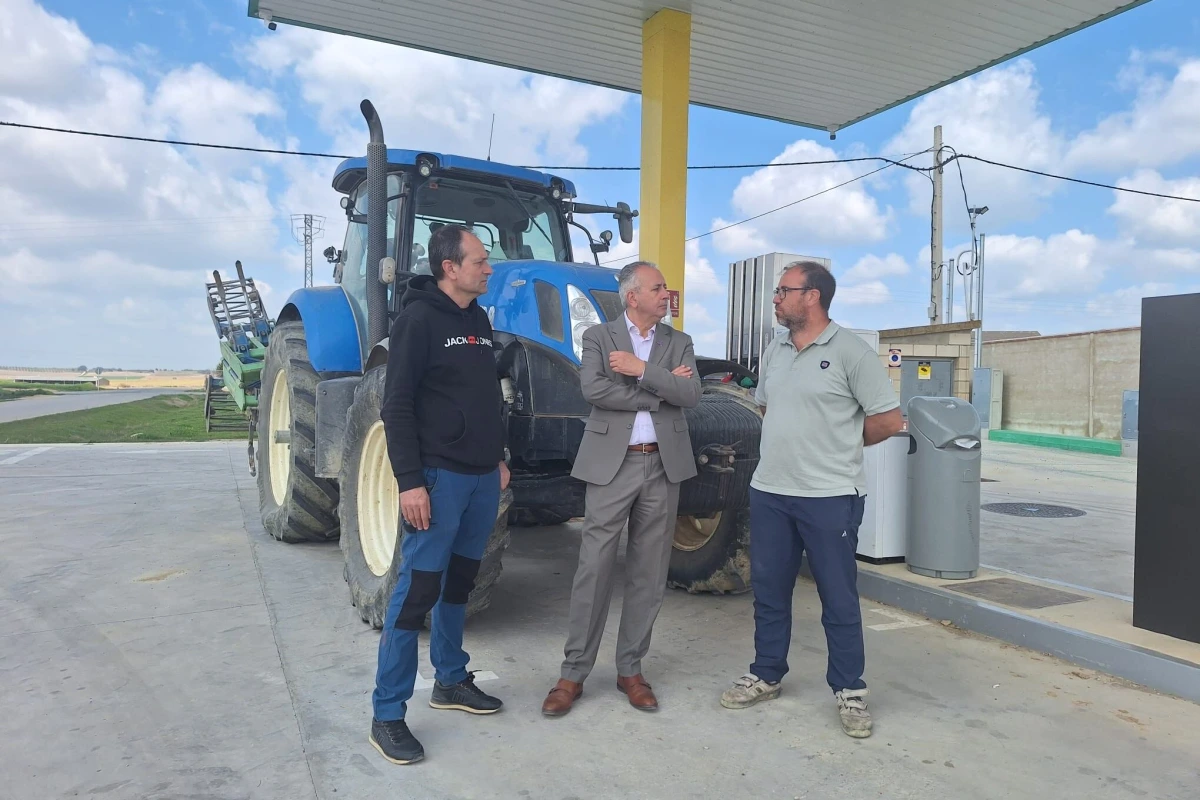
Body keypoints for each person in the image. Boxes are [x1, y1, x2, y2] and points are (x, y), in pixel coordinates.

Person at [719, 261, 902, 739]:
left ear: (813, 296)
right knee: (770, 590)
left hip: (829, 495)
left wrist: (839, 441)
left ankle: (850, 691)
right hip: (771, 491)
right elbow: (765, 405)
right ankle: (766, 673)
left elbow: (887, 420)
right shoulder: (776, 348)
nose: (776, 298)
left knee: (838, 597)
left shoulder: (851, 353)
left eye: (784, 290)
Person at [370, 224, 511, 765]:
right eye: (479, 259)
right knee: (417, 593)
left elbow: (481, 398)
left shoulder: (477, 319)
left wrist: (496, 456)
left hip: (480, 477)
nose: (488, 267)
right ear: (450, 267)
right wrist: (409, 480)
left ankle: (450, 680)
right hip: (435, 478)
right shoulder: (417, 321)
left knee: (460, 582)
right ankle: (387, 713)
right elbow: (396, 406)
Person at [541, 261, 701, 716]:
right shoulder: (598, 337)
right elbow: (594, 390)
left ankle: (630, 669)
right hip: (613, 466)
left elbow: (691, 396)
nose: (667, 294)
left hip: (663, 465)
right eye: (658, 287)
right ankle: (573, 674)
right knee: (594, 568)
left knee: (649, 573)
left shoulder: (679, 341)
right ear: (633, 297)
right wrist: (660, 389)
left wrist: (638, 370)